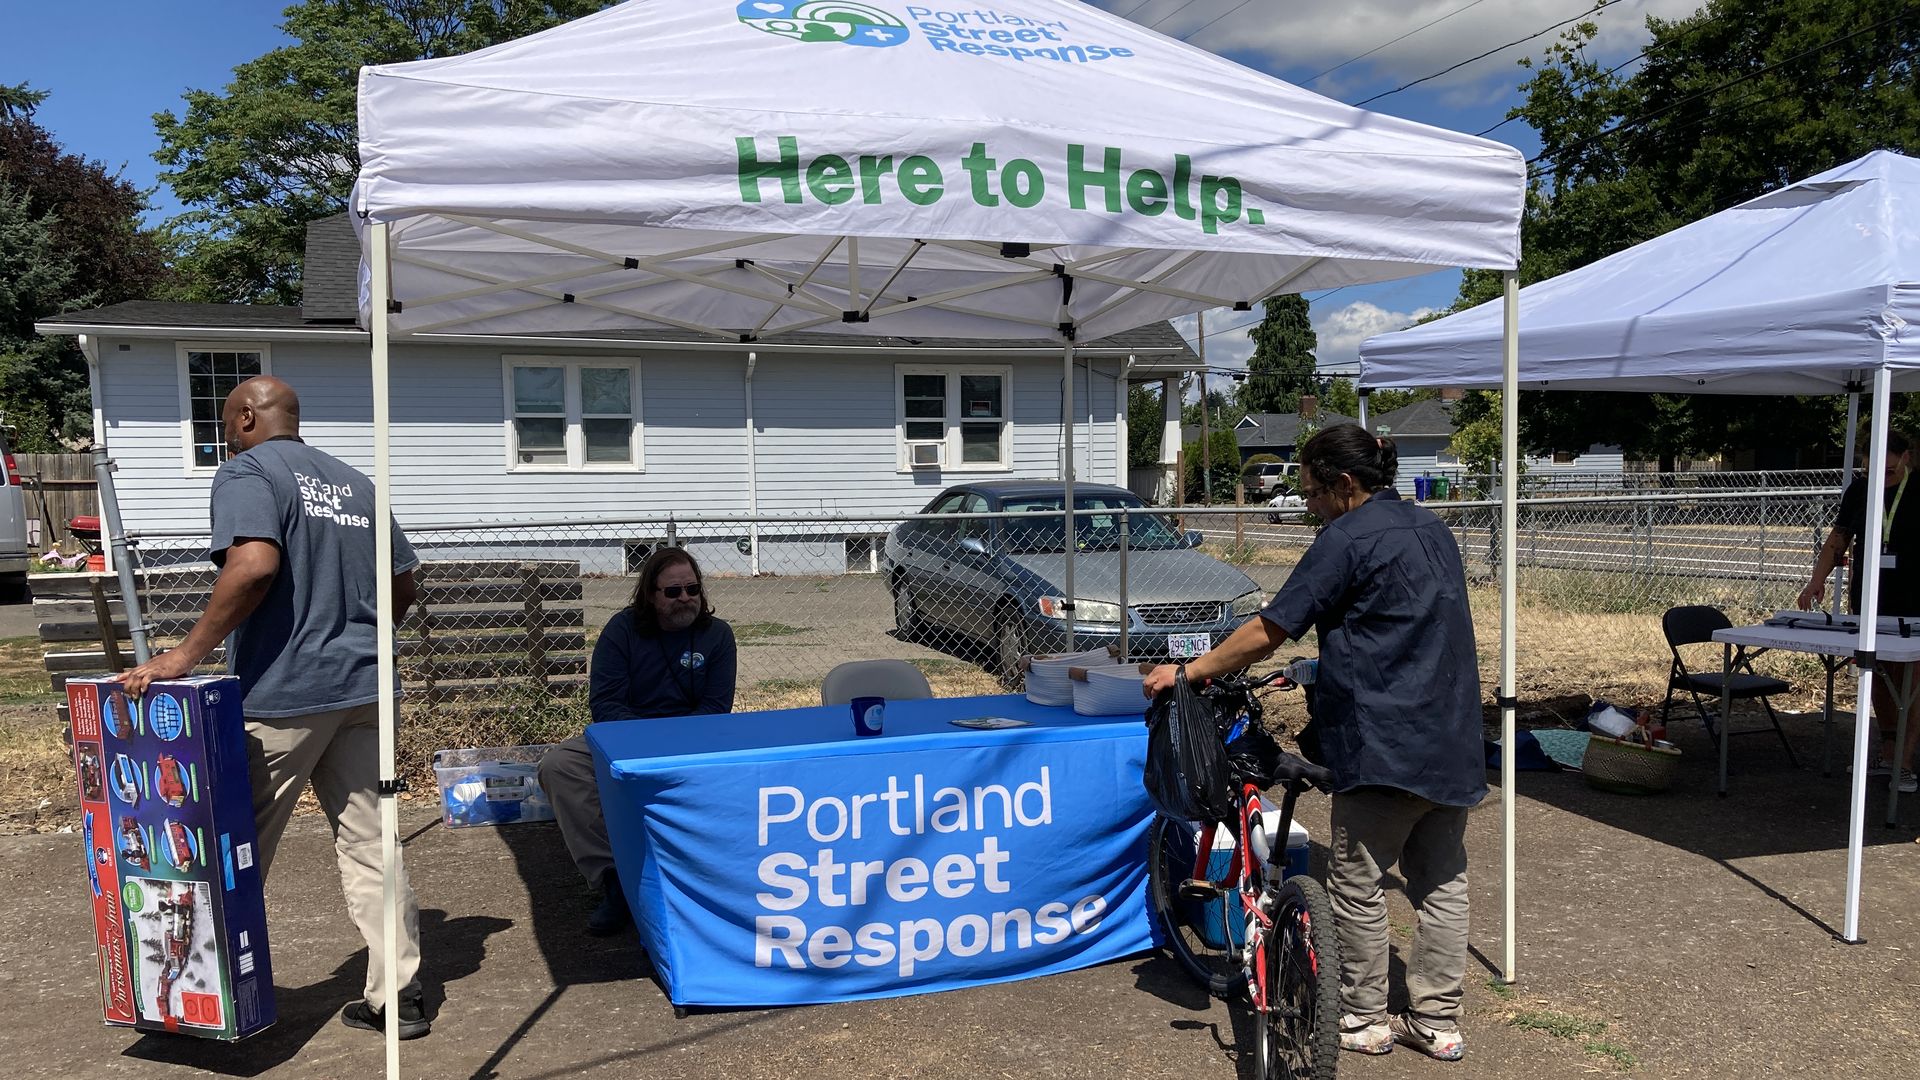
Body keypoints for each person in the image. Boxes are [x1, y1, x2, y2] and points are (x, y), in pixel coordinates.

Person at [1143, 424, 1483, 1062]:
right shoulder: (1431, 527)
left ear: (1345, 484)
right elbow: (1400, 621)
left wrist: (1191, 670)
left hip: (1384, 739)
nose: (1308, 504)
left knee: (1356, 882)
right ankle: (1437, 1020)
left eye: (1312, 492)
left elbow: (1272, 627)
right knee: (1442, 882)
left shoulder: (1347, 537)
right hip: (1454, 732)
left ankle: (1363, 1016)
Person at [115, 376, 430, 1039]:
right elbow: (403, 582)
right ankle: (399, 997)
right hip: (368, 692)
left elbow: (254, 565)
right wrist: (365, 639)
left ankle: (193, 994)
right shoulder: (355, 484)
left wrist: (185, 655)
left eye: (229, 421)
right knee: (377, 846)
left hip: (285, 699)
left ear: (250, 418)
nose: (226, 433)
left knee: (229, 848)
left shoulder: (249, 472)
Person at [538, 547, 737, 935]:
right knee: (559, 765)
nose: (685, 599)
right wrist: (645, 744)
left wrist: (672, 743)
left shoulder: (718, 636)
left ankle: (716, 874)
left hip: (694, 740)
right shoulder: (621, 631)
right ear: (650, 594)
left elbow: (715, 708)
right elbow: (606, 704)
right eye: (673, 592)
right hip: (629, 738)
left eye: (692, 589)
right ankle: (614, 881)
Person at [1797, 425, 1920, 793]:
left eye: (1889, 471)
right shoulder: (1860, 489)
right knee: (1879, 675)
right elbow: (1839, 538)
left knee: (1911, 682)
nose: (1880, 478)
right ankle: (1886, 751)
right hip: (1869, 600)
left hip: (1914, 602)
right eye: (1872, 470)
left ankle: (1905, 762)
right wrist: (1816, 580)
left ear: (1907, 459)